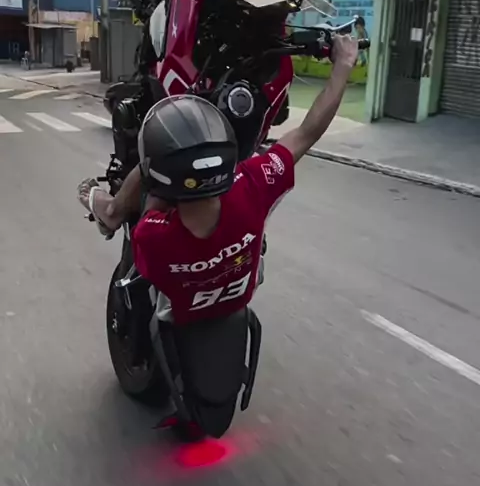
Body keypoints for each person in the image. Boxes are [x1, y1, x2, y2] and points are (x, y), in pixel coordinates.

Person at [78, 34, 358, 323]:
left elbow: (153, 197)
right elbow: (307, 132)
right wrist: (344, 65)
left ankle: (112, 211)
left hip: (180, 316)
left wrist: (163, 162)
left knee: (151, 160)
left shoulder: (151, 235)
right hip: (234, 306)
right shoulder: (253, 185)